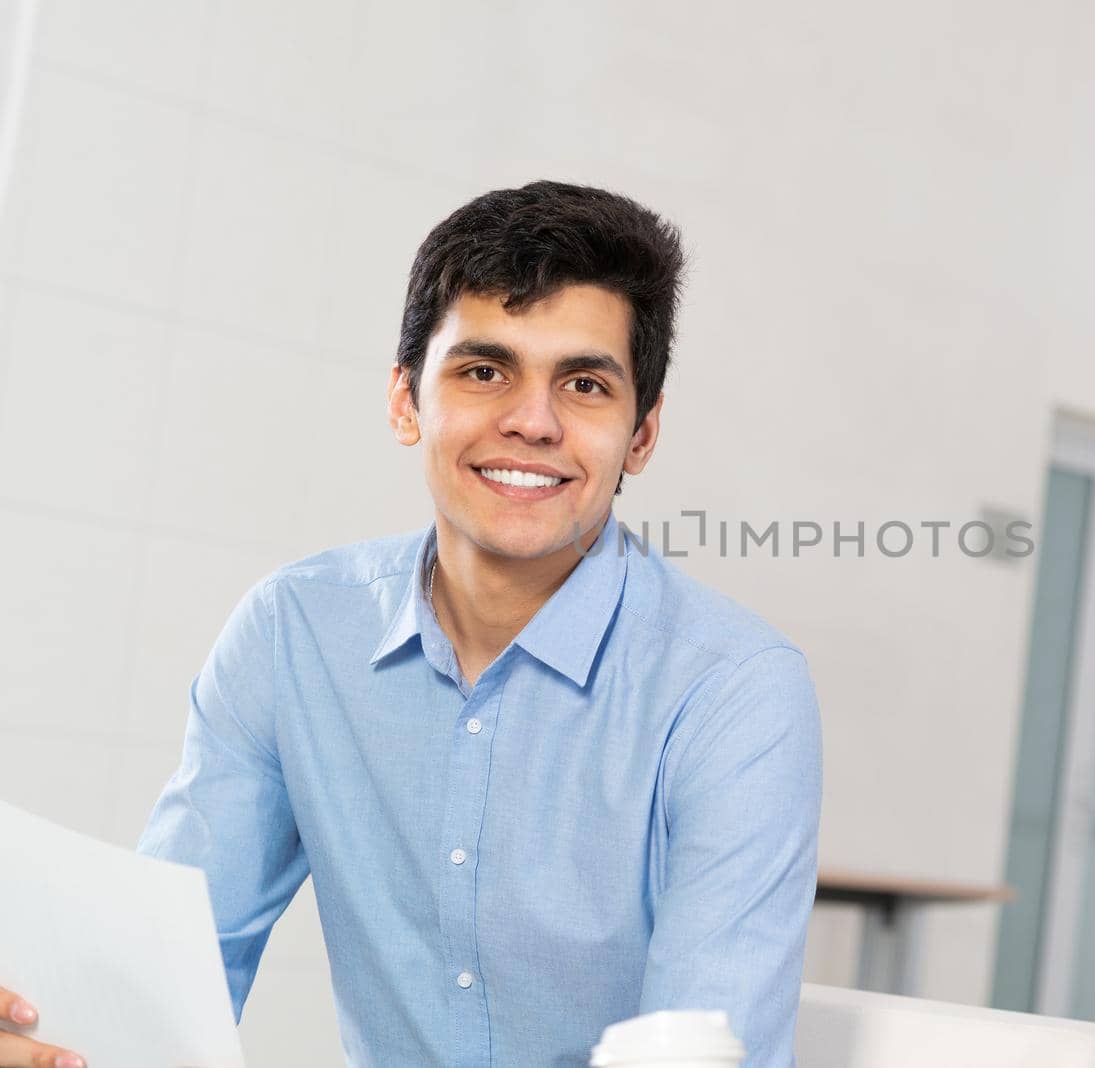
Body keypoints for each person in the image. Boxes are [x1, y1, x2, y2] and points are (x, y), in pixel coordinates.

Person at [0, 181, 823, 1068]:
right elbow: (162, 992)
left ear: (642, 435)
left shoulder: (734, 693)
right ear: (405, 400)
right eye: (483, 370)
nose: (532, 422)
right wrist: (47, 1037)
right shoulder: (295, 633)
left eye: (584, 384)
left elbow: (701, 1052)